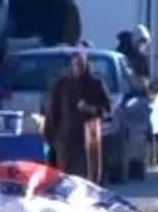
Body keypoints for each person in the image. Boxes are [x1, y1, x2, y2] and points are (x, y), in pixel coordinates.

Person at [44, 51, 112, 182]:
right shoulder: (61, 85)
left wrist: (91, 108)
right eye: (75, 64)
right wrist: (50, 133)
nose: (77, 68)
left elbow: (107, 108)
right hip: (66, 139)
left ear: (86, 66)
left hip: (88, 139)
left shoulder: (95, 84)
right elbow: (53, 110)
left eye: (81, 65)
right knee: (66, 177)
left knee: (86, 177)